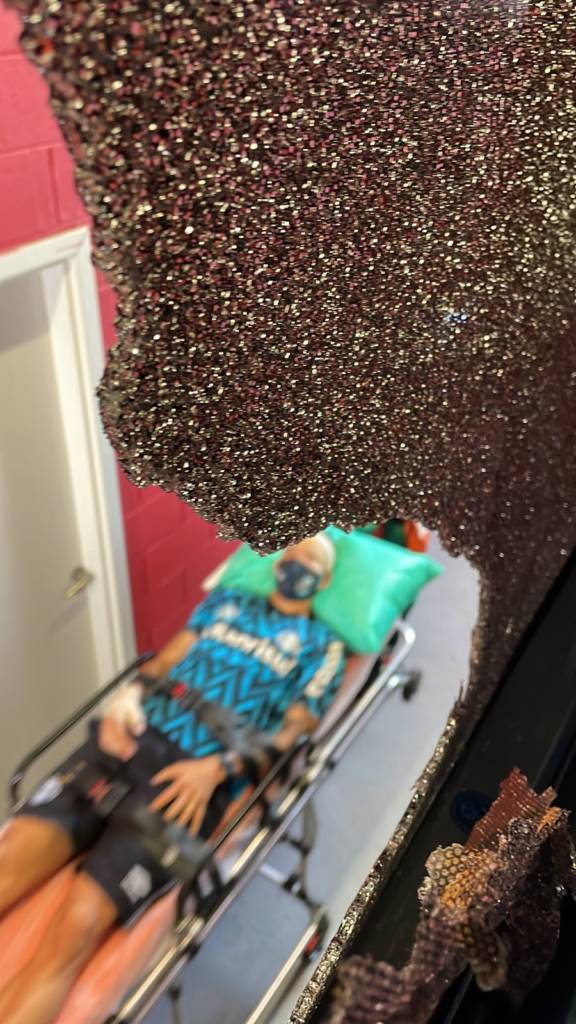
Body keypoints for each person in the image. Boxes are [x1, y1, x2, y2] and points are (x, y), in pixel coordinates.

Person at [0, 533, 345, 1024]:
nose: (296, 564)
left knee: (75, 929)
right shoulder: (226, 602)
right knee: (7, 864)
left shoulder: (322, 647)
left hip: (193, 783)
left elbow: (294, 734)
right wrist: (126, 699)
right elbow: (164, 661)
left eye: (310, 559)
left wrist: (219, 769)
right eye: (290, 554)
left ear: (325, 579)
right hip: (131, 739)